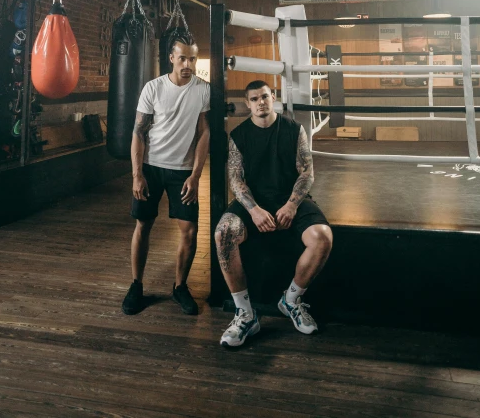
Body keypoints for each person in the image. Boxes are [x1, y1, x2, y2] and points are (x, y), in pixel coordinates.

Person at [215, 80, 332, 347]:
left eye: (265, 97)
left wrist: (292, 204)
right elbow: (235, 180)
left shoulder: (293, 129)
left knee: (322, 237)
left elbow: (307, 172)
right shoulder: (239, 135)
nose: (261, 103)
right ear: (248, 104)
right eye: (254, 99)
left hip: (289, 198)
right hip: (254, 202)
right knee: (224, 232)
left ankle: (290, 301)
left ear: (273, 97)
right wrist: (254, 210)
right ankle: (245, 314)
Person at [121, 30, 210, 316]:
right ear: (171, 58)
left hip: (182, 172)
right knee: (143, 225)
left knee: (189, 230)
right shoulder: (153, 88)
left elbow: (204, 132)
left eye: (192, 59)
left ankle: (180, 287)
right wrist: (137, 174)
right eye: (182, 58)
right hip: (151, 168)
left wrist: (196, 176)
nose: (187, 64)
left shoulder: (203, 90)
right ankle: (136, 285)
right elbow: (138, 132)